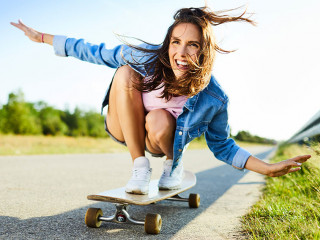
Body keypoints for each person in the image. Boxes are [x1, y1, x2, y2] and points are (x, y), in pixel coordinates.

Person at [11, 6, 310, 195]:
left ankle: (172, 164)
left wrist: (267, 168)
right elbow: (93, 50)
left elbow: (223, 145)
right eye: (175, 43)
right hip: (123, 127)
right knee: (125, 73)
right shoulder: (145, 58)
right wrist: (41, 38)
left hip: (160, 138)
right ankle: (139, 167)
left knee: (158, 118)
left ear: (204, 52)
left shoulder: (214, 98)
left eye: (192, 45)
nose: (181, 52)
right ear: (167, 43)